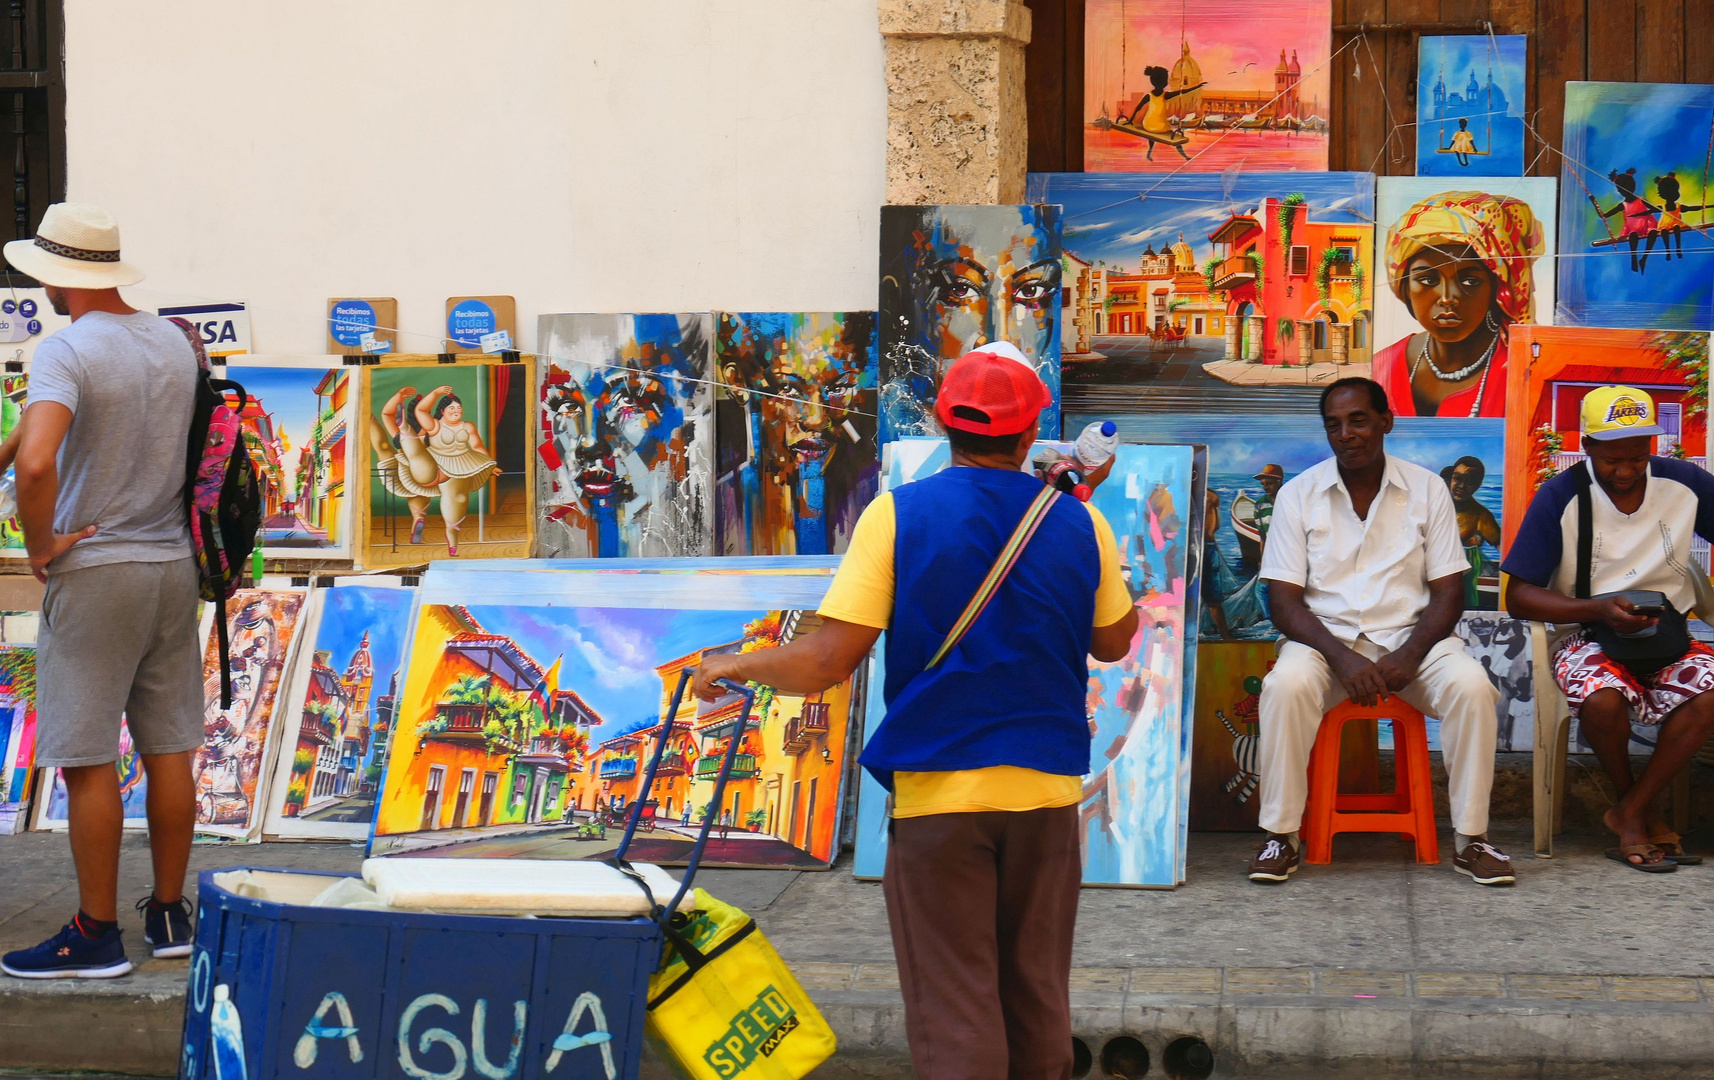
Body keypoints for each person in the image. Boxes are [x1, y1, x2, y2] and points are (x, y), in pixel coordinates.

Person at [692, 344, 1137, 1080]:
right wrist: (1079, 519)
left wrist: (733, 663)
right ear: (1032, 434)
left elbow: (827, 660)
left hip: (941, 798)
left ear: (942, 421)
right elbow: (1115, 642)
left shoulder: (897, 514)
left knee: (957, 1006)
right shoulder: (1078, 522)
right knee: (1036, 997)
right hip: (1048, 797)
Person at [0, 204, 201, 978]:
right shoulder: (172, 343)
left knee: (86, 759)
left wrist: (40, 542)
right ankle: (170, 913)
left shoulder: (68, 350)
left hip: (98, 573)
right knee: (168, 746)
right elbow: (60, 434)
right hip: (169, 566)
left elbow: (41, 463)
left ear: (58, 277)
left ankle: (94, 934)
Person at [1248, 377, 1512, 887]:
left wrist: (1410, 656)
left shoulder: (1427, 489)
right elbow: (1283, 602)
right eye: (1334, 424)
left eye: (1358, 420)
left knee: (1473, 688)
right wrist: (1342, 659)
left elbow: (1449, 591)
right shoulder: (1299, 495)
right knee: (1284, 686)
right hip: (1325, 646)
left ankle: (1471, 839)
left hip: (1412, 643)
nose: (1346, 433)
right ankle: (1281, 835)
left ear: (1386, 421)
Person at [1502, 386, 1714, 872]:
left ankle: (1630, 811)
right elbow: (1518, 597)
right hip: (1585, 632)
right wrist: (1596, 609)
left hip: (1667, 633)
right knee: (1603, 698)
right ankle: (1638, 812)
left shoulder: (1684, 484)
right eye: (1612, 458)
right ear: (1588, 444)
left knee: (1711, 692)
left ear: (1652, 447)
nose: (1626, 470)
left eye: (1638, 457)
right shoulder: (1561, 495)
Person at [1373, 190, 1545, 417]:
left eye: (1469, 281)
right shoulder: (1381, 366)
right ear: (1404, 287)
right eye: (1427, 279)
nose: (1446, 297)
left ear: (1498, 287)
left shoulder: (1525, 372)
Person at [1440, 455, 1500, 608]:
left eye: (1470, 482)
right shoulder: (1435, 506)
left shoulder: (1481, 515)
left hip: (1461, 580)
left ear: (1478, 485)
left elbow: (1503, 546)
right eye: (1457, 478)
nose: (1461, 485)